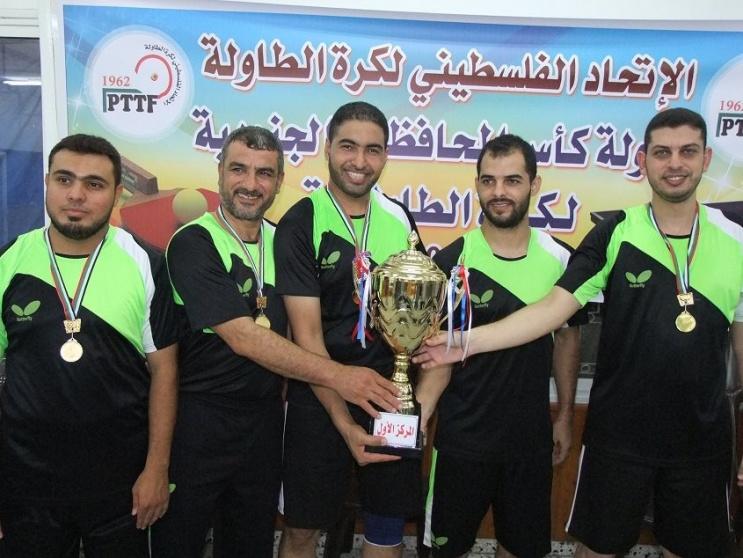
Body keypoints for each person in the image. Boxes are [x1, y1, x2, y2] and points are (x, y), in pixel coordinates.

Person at [415, 107, 743, 558]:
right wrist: (462, 344)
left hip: (701, 443)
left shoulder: (737, 240)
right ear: (643, 160)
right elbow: (554, 309)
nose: (674, 164)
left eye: (687, 152)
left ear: (706, 159)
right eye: (662, 153)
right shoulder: (612, 235)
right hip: (617, 441)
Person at [151, 125, 401, 558]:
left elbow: (303, 337)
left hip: (265, 428)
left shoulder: (284, 238)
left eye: (264, 173)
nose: (251, 184)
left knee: (249, 546)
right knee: (179, 544)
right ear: (219, 171)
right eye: (239, 169)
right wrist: (342, 376)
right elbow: (244, 337)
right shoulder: (192, 241)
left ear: (279, 181)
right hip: (199, 426)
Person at [0, 134, 178, 557]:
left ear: (117, 194)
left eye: (94, 184)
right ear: (47, 183)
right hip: (26, 480)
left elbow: (165, 371)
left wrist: (156, 469)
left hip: (122, 482)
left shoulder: (147, 263)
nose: (76, 195)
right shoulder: (9, 261)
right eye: (64, 179)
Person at [417, 134, 583, 558]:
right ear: (477, 185)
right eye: (488, 181)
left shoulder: (561, 260)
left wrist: (565, 414)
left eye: (512, 180)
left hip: (529, 443)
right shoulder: (451, 261)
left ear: (534, 184)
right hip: (461, 442)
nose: (499, 192)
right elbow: (439, 355)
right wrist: (420, 413)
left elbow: (567, 338)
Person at [275, 101, 423, 558]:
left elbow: (418, 317)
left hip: (390, 395)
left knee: (386, 526)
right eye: (348, 147)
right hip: (319, 396)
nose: (360, 161)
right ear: (327, 149)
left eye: (372, 150)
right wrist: (342, 421)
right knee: (302, 528)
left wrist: (415, 400)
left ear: (386, 155)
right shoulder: (300, 222)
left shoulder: (399, 218)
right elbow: (307, 340)